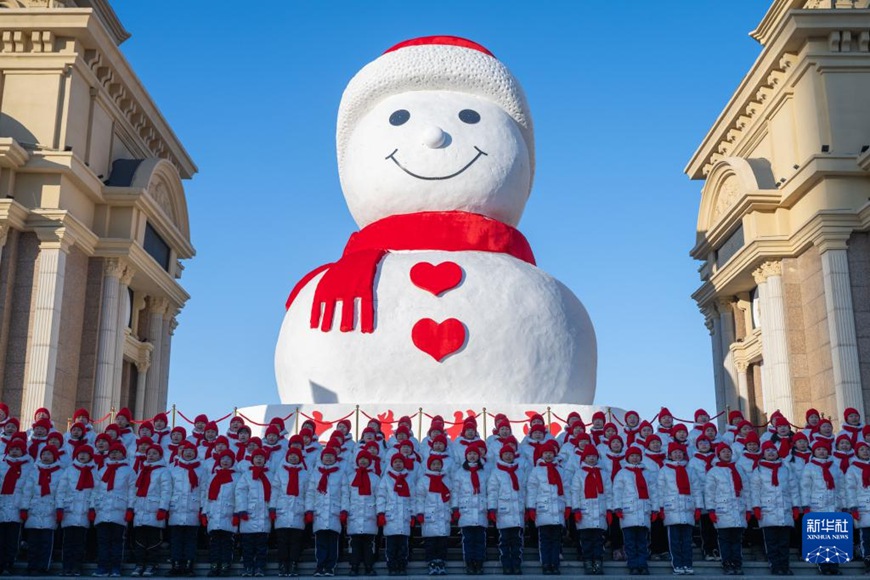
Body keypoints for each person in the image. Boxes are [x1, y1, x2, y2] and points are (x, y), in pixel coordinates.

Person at [752, 440, 800, 576]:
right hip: (768, 511)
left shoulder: (785, 469)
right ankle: (775, 565)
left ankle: (785, 566)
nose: (771, 453)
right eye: (768, 451)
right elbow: (755, 490)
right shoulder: (759, 470)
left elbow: (793, 489)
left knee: (784, 542)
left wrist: (795, 506)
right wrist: (756, 507)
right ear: (763, 453)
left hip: (785, 510)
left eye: (773, 450)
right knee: (771, 542)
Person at [612, 446, 658, 576]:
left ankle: (642, 564)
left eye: (637, 456)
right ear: (627, 458)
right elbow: (617, 492)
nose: (635, 458)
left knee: (642, 541)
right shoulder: (622, 473)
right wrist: (618, 508)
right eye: (632, 456)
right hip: (628, 512)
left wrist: (655, 509)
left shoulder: (647, 473)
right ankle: (633, 564)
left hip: (643, 511)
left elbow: (653, 492)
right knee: (630, 542)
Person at [658, 442, 702, 575]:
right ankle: (677, 563)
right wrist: (660, 507)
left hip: (687, 508)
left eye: (680, 452)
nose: (677, 455)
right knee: (675, 540)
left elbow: (696, 490)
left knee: (687, 540)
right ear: (670, 455)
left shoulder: (690, 470)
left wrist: (698, 507)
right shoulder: (664, 470)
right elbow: (660, 490)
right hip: (672, 509)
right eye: (674, 452)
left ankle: (687, 564)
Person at [802, 440, 845, 575]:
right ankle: (823, 565)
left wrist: (843, 504)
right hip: (817, 505)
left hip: (833, 505)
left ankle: (834, 565)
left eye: (824, 449)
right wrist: (806, 505)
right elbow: (805, 488)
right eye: (819, 449)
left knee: (834, 538)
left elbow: (842, 487)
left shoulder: (835, 467)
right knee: (821, 538)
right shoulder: (809, 467)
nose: (822, 452)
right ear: (814, 452)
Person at [707, 443, 751, 576]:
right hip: (722, 510)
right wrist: (711, 510)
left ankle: (737, 563)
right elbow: (710, 492)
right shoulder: (714, 471)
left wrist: (748, 509)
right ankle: (727, 563)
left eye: (728, 451)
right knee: (724, 539)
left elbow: (746, 490)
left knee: (737, 540)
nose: (726, 454)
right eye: (723, 452)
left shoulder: (738, 469)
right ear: (718, 454)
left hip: (738, 509)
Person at [526, 439, 568, 575]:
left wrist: (569, 506)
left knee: (556, 540)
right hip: (543, 511)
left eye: (551, 453)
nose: (548, 456)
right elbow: (531, 490)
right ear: (541, 455)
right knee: (544, 540)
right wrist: (531, 507)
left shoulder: (560, 470)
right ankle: (545, 563)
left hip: (557, 510)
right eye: (545, 453)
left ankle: (554, 564)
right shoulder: (536, 471)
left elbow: (567, 488)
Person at [92, 443, 134, 577]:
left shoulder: (128, 471)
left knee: (117, 541)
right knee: (103, 541)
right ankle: (102, 567)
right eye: (112, 452)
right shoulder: (102, 470)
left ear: (123, 454)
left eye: (118, 452)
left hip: (119, 510)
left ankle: (116, 567)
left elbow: (132, 491)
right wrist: (93, 507)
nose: (114, 454)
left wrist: (130, 508)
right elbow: (95, 490)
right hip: (103, 510)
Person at [130, 444, 171, 577]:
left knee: (153, 540)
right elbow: (135, 490)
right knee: (140, 540)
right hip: (141, 509)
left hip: (154, 510)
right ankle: (140, 564)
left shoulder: (163, 471)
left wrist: (163, 508)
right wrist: (132, 507)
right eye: (149, 453)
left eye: (154, 453)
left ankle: (151, 564)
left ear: (160, 455)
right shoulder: (142, 470)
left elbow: (166, 491)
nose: (151, 456)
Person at [56, 444, 97, 576]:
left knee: (80, 542)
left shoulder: (94, 471)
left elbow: (96, 492)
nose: (83, 456)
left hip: (83, 511)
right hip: (69, 510)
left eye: (86, 453)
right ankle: (66, 566)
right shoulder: (69, 470)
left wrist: (92, 508)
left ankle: (77, 567)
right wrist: (59, 508)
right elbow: (61, 491)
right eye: (80, 453)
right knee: (67, 542)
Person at [21, 444, 62, 575]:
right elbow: (27, 491)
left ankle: (43, 566)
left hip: (50, 510)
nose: (46, 456)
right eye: (44, 454)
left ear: (55, 456)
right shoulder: (34, 471)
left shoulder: (60, 472)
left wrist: (59, 508)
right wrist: (24, 507)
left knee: (46, 542)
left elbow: (60, 493)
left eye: (49, 454)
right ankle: (32, 565)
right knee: (33, 542)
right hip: (34, 509)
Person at [570, 445, 611, 576]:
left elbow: (609, 493)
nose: (591, 459)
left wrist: (609, 509)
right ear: (584, 458)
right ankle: (588, 561)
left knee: (598, 540)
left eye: (594, 456)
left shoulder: (603, 474)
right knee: (586, 539)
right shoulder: (579, 473)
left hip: (600, 511)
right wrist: (576, 509)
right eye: (588, 456)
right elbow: (575, 492)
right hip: (585, 512)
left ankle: (598, 562)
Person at [167, 441, 206, 577]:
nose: (188, 453)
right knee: (176, 539)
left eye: (191, 451)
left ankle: (189, 566)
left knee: (191, 539)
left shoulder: (201, 470)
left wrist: (203, 509)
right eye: (186, 450)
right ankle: (176, 565)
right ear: (181, 453)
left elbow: (204, 490)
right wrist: (165, 507)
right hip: (176, 509)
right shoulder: (173, 468)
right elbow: (168, 489)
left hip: (193, 509)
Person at [486, 444, 526, 575]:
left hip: (517, 511)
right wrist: (492, 509)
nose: (508, 456)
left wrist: (526, 508)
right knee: (504, 541)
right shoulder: (496, 472)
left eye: (510, 454)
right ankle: (506, 564)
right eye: (505, 454)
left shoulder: (519, 471)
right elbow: (492, 492)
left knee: (517, 541)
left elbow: (525, 491)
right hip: (503, 512)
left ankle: (516, 564)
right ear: (501, 456)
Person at [305, 447, 344, 577]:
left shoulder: (340, 473)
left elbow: (344, 494)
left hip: (334, 512)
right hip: (320, 513)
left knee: (333, 543)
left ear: (335, 458)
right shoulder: (315, 473)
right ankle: (320, 566)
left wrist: (344, 510)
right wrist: (309, 510)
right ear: (321, 458)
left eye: (331, 456)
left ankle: (330, 567)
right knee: (320, 542)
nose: (328, 458)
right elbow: (310, 493)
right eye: (325, 456)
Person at [272, 448, 310, 577]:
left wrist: (308, 510)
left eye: (296, 456)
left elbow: (308, 493)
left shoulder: (305, 473)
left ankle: (293, 564)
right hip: (282, 510)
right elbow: (275, 490)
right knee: (282, 541)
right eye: (291, 455)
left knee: (295, 541)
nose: (293, 458)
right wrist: (272, 508)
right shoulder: (280, 472)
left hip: (297, 510)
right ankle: (283, 564)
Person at [377, 453, 416, 576]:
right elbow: (381, 497)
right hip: (391, 517)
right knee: (391, 546)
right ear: (391, 464)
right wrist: (381, 513)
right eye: (396, 462)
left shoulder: (409, 478)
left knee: (403, 546)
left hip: (404, 517)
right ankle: (392, 566)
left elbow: (413, 498)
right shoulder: (386, 478)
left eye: (400, 462)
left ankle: (402, 566)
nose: (398, 464)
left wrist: (413, 514)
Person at [236, 448, 273, 577]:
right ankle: (247, 567)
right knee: (247, 547)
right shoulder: (246, 475)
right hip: (249, 516)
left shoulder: (270, 475)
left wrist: (272, 508)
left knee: (261, 547)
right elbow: (240, 493)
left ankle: (259, 568)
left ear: (265, 460)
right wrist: (242, 509)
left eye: (261, 458)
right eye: (256, 457)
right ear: (252, 460)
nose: (259, 460)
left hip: (263, 516)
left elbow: (275, 493)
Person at [342, 450, 379, 577]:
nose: (363, 461)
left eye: (366, 459)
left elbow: (379, 497)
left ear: (370, 461)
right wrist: (345, 511)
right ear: (357, 461)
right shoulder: (350, 477)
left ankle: (369, 566)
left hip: (370, 515)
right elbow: (346, 496)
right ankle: (354, 566)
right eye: (361, 459)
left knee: (369, 544)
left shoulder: (375, 478)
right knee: (354, 544)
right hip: (354, 515)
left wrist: (380, 513)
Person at [203, 450, 239, 577]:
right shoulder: (213, 476)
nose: (225, 461)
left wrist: (236, 514)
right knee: (214, 543)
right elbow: (207, 496)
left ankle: (225, 566)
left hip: (228, 515)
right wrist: (204, 513)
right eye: (223, 459)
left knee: (226, 543)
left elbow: (238, 497)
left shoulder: (237, 477)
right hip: (214, 514)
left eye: (228, 459)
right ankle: (214, 566)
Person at [453, 444, 488, 575]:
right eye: (470, 454)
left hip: (480, 510)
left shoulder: (484, 472)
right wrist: (455, 508)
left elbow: (488, 491)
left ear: (479, 456)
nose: (472, 456)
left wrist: (490, 509)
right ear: (466, 456)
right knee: (467, 540)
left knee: (479, 540)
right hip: (466, 511)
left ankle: (479, 563)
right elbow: (455, 491)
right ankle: (469, 563)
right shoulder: (460, 473)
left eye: (475, 454)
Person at [0, 439, 31, 575]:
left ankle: (9, 563)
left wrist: (24, 507)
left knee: (12, 539)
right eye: (12, 449)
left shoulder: (28, 466)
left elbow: (28, 489)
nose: (14, 451)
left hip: (16, 507)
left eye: (17, 449)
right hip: (2, 505)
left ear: (23, 451)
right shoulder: (2, 464)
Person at [846, 441, 870, 574]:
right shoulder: (853, 469)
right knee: (866, 538)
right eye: (862, 450)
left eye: (867, 449)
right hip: (863, 508)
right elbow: (850, 489)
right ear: (857, 452)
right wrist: (853, 507)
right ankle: (868, 561)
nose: (865, 452)